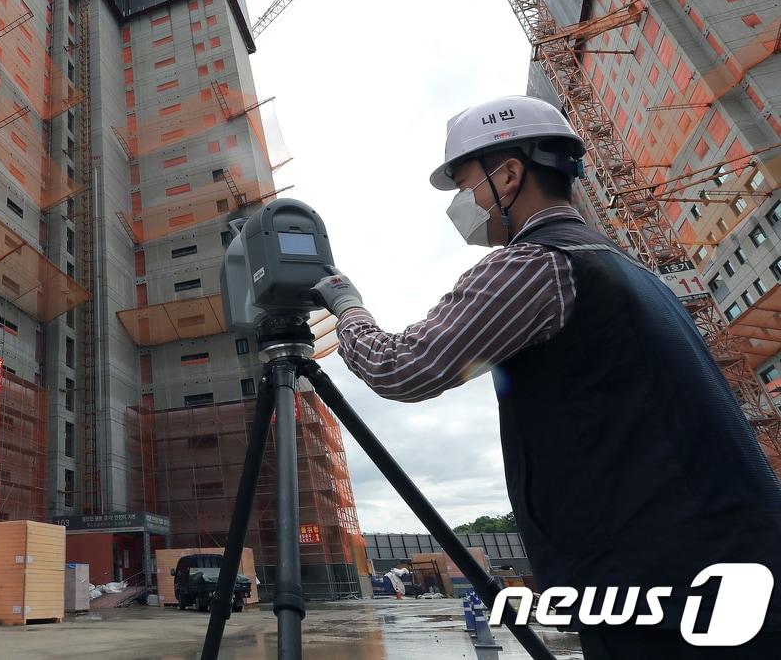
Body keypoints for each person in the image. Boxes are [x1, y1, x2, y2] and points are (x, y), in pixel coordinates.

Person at [312, 94, 781, 658]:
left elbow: (403, 368)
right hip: (725, 566)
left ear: (509, 175)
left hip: (660, 580)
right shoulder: (627, 268)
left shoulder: (539, 264)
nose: (463, 203)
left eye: (465, 185)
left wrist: (347, 306)